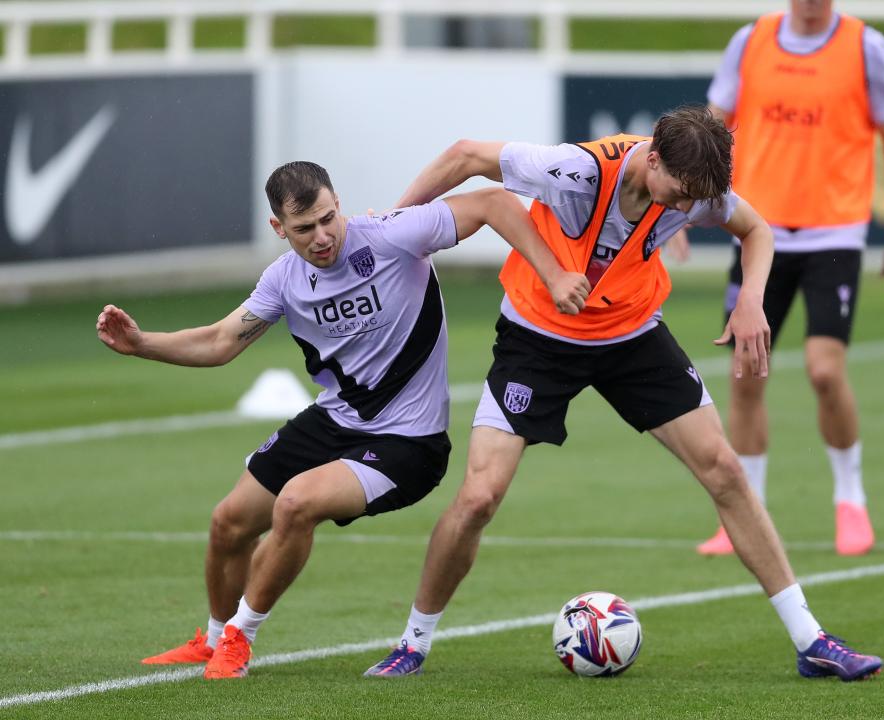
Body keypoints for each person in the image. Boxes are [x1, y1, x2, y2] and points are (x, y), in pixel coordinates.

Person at [364, 105, 883, 681]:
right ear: (653, 160)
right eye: (681, 193)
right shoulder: (576, 172)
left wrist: (752, 300)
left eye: (697, 199)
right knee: (479, 498)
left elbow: (755, 231)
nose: (688, 208)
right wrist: (391, 227)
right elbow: (466, 155)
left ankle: (811, 639)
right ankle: (413, 642)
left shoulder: (697, 189)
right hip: (538, 338)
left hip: (631, 336)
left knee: (725, 470)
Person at [96, 161, 588, 679]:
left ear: (338, 203)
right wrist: (140, 344)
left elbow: (492, 203)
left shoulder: (394, 236)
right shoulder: (284, 279)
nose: (323, 236)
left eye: (329, 218)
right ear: (278, 229)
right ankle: (214, 638)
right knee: (229, 522)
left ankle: (240, 639)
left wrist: (552, 274)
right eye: (305, 228)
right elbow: (220, 342)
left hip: (408, 442)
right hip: (335, 422)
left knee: (297, 503)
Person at [694, 0, 884, 557]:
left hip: (833, 234)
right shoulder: (751, 41)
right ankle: (744, 516)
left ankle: (850, 498)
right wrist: (680, 208)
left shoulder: (867, 47)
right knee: (747, 373)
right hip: (757, 231)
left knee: (824, 370)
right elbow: (710, 130)